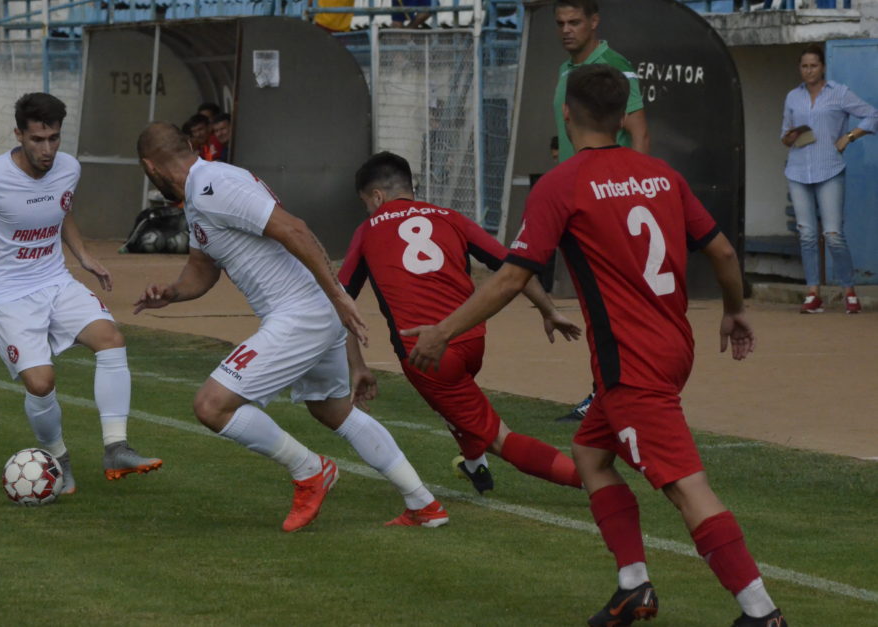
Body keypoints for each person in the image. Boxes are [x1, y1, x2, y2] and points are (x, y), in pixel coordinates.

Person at [403, 65, 787, 627]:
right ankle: (633, 586)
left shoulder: (563, 183)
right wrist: (733, 311)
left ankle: (761, 612)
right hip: (671, 345)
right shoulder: (662, 175)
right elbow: (725, 254)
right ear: (622, 117)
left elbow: (511, 277)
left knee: (686, 487)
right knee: (589, 455)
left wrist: (442, 331)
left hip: (630, 361)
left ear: (566, 111)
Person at [133, 122, 448, 531]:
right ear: (190, 145)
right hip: (307, 313)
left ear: (149, 167)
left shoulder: (215, 184)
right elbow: (202, 267)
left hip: (301, 313)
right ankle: (423, 503)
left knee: (211, 405)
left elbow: (294, 228)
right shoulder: (199, 195)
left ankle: (310, 470)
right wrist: (172, 293)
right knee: (332, 408)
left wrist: (337, 295)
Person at [0, 93, 161, 495]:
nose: (48, 149)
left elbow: (62, 207)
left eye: (54, 138)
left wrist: (84, 255)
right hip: (8, 295)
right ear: (19, 134)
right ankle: (59, 459)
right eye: (38, 139)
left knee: (111, 339)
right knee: (40, 383)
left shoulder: (69, 168)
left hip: (55, 281)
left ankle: (116, 448)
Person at [339, 151, 584, 495]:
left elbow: (339, 301)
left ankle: (593, 481)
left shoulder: (367, 231)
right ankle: (474, 466)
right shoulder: (450, 217)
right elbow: (513, 265)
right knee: (459, 404)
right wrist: (548, 310)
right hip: (471, 339)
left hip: (426, 352)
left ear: (377, 196)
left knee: (499, 437)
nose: (368, 209)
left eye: (367, 202)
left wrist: (357, 364)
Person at [553, 0, 649, 422]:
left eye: (575, 22)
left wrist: (631, 193)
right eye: (561, 23)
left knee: (609, 304)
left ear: (595, 22)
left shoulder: (613, 67)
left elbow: (641, 133)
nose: (567, 30)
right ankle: (609, 390)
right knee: (596, 304)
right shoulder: (565, 70)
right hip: (578, 201)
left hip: (605, 203)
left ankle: (609, 393)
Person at [781, 43, 877, 315]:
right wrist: (790, 136)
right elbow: (784, 133)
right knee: (807, 234)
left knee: (833, 234)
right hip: (798, 169)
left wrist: (849, 137)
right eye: (804, 66)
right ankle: (813, 293)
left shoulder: (839, 93)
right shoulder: (792, 97)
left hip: (830, 168)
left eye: (813, 65)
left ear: (822, 67)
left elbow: (872, 114)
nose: (808, 70)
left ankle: (848, 290)